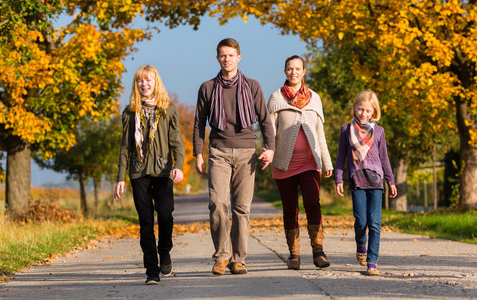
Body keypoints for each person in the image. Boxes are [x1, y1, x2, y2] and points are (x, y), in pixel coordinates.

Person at [193, 38, 275, 276]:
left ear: (239, 57)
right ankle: (221, 256)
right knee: (218, 203)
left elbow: (264, 119)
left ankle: (238, 259)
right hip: (218, 150)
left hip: (246, 152)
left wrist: (269, 147)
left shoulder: (252, 86)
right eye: (222, 55)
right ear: (217, 58)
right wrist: (198, 153)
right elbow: (199, 123)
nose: (226, 59)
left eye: (230, 55)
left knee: (242, 208)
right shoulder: (207, 88)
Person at [114, 65, 185, 285]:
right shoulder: (129, 112)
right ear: (136, 84)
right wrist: (120, 177)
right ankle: (151, 270)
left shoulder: (168, 110)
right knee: (145, 223)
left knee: (165, 216)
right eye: (140, 81)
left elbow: (177, 141)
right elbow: (125, 146)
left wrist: (179, 165)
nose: (144, 85)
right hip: (138, 173)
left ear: (156, 82)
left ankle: (164, 252)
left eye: (148, 80)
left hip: (163, 171)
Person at [267, 55, 333, 270]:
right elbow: (270, 132)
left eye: (297, 69)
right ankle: (294, 253)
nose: (293, 72)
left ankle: (318, 250)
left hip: (310, 162)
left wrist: (327, 161)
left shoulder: (315, 98)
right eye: (289, 69)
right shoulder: (276, 98)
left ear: (304, 71)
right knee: (290, 208)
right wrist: (267, 152)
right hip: (283, 164)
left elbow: (319, 133)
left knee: (313, 203)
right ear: (285, 71)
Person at [334, 90, 397, 276]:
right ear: (355, 108)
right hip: (357, 180)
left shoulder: (379, 131)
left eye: (368, 111)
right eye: (360, 109)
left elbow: (384, 159)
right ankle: (361, 245)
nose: (364, 114)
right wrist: (339, 179)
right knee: (361, 220)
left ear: (374, 112)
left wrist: (390, 181)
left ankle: (372, 262)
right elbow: (341, 157)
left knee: (375, 222)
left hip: (376, 181)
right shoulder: (346, 130)